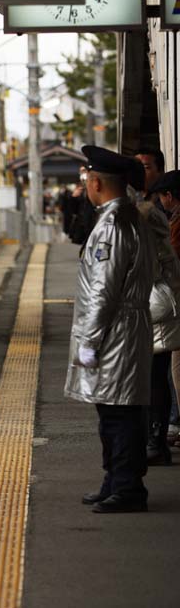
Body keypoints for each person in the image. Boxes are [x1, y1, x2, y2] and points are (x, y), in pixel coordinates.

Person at [66, 146, 155, 513]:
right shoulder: (128, 217)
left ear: (96, 182)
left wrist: (89, 340)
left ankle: (127, 488)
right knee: (117, 410)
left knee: (119, 413)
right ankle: (116, 480)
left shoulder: (112, 226)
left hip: (115, 330)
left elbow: (102, 289)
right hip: (125, 326)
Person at [126, 159, 180, 465]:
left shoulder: (142, 216)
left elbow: (149, 265)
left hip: (154, 307)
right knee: (156, 377)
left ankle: (155, 442)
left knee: (153, 378)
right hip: (160, 305)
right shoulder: (152, 214)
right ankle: (155, 440)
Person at [150, 169, 180, 446]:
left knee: (171, 372)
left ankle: (172, 425)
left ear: (169, 196)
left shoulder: (175, 225)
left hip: (171, 311)